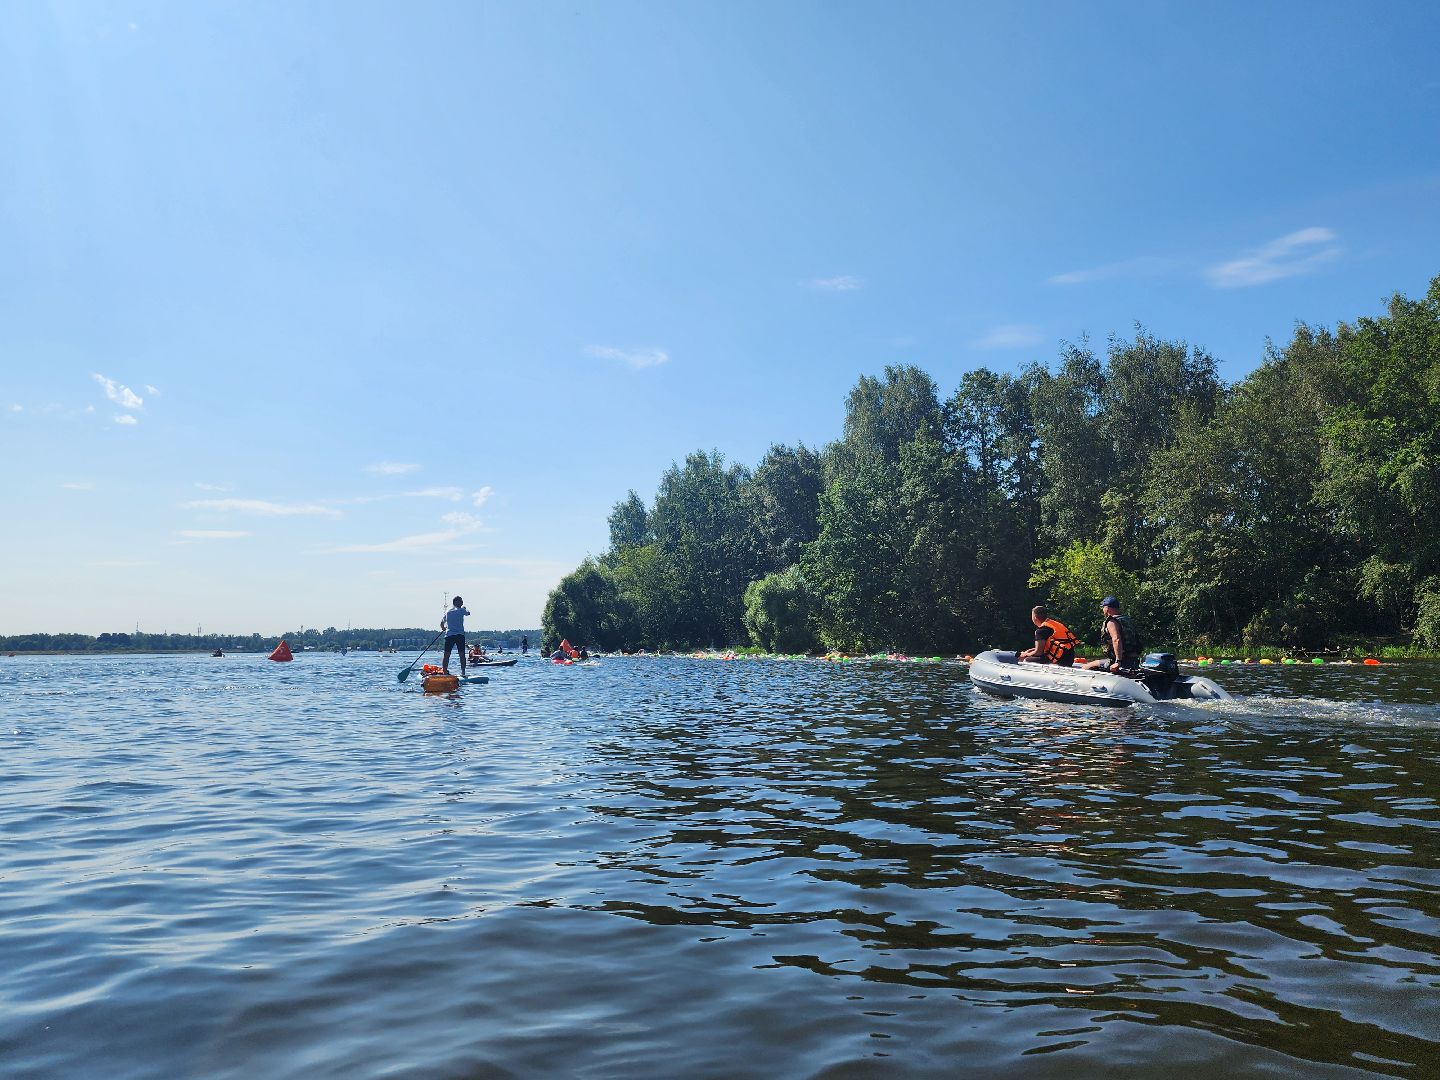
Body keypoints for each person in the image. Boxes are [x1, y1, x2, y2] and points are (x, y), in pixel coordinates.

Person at [1085, 596, 1142, 672]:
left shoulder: (1112, 621)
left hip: (1121, 662)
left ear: (1107, 608)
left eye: (1103, 607)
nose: (1103, 610)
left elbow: (1116, 639)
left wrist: (1118, 662)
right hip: (1133, 659)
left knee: (1086, 667)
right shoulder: (1127, 619)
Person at [441, 596, 470, 676]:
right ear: (455, 602)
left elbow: (442, 623)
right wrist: (465, 608)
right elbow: (468, 613)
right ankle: (463, 672)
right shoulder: (461, 610)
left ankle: (444, 672)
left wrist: (444, 629)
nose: (462, 603)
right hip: (459, 635)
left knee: (446, 655)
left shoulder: (448, 611)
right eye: (460, 601)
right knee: (462, 654)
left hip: (449, 635)